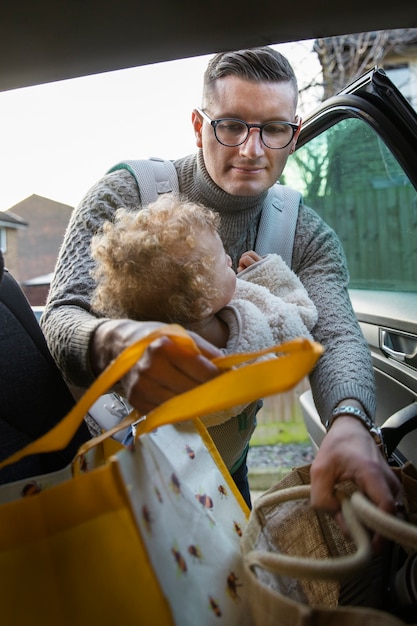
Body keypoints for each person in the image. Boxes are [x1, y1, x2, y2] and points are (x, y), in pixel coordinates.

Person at [42, 46, 400, 520]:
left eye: (273, 129)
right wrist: (109, 343)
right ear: (198, 127)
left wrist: (350, 422)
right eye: (232, 125)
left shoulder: (305, 233)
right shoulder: (126, 194)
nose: (252, 151)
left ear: (293, 134)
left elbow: (334, 333)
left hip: (226, 473)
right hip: (106, 464)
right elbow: (61, 313)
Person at [89, 196, 318, 485]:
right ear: (201, 303)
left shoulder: (148, 361)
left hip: (173, 477)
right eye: (223, 262)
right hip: (233, 466)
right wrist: (270, 277)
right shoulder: (252, 326)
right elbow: (300, 320)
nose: (229, 260)